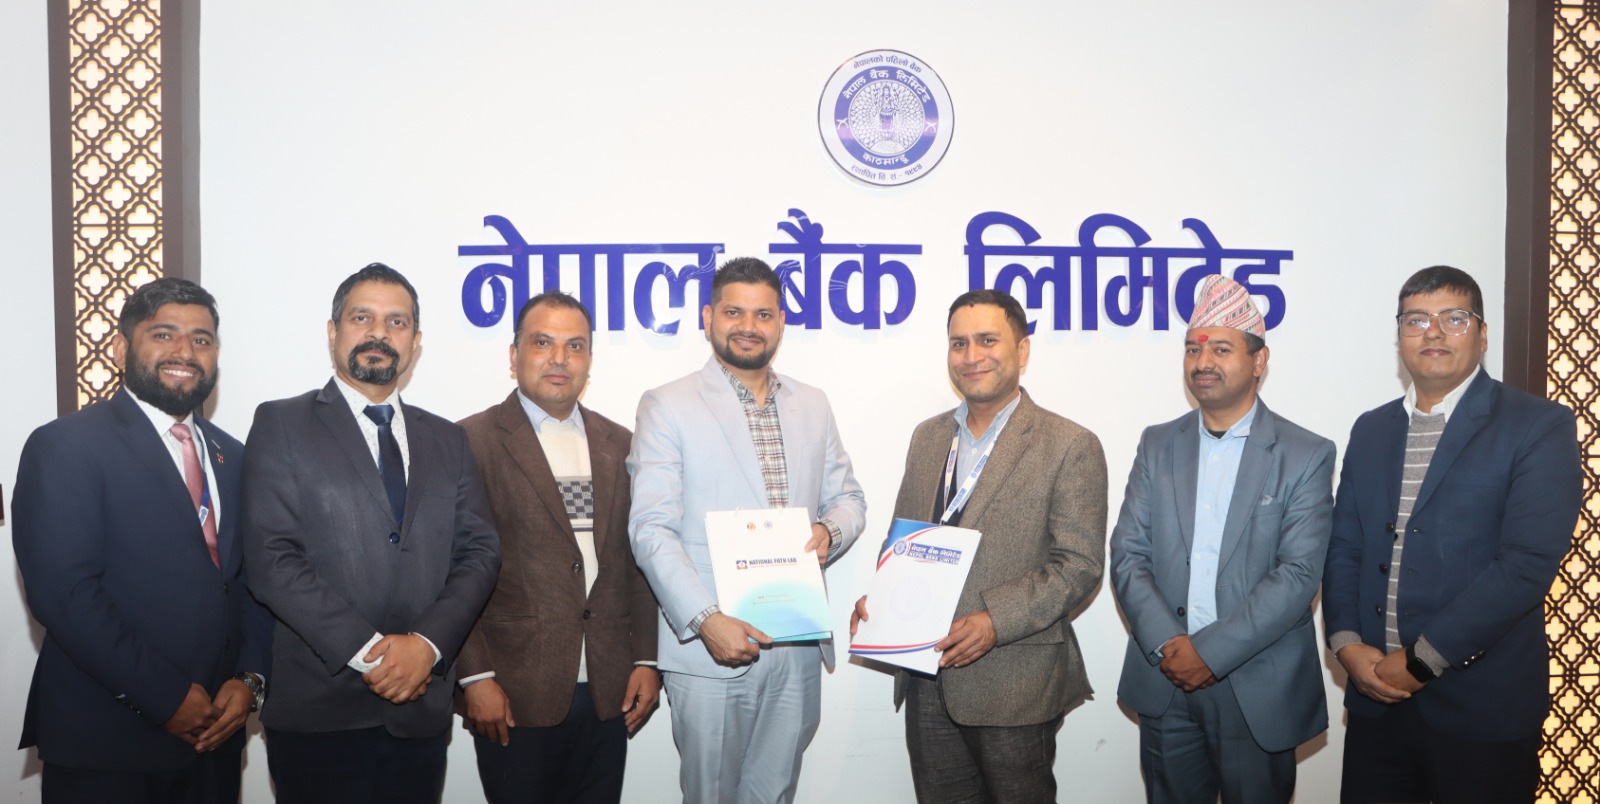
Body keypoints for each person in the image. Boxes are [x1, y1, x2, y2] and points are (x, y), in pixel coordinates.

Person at [240, 263, 501, 804]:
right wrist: (373, 654)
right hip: (319, 714)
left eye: (396, 322)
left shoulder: (448, 440)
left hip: (420, 709)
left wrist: (426, 648)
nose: (379, 333)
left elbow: (479, 553)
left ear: (416, 342)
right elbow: (272, 559)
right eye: (363, 318)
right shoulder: (281, 424)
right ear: (333, 331)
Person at [1322, 265, 1581, 804]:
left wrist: (1422, 660)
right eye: (1416, 320)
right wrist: (1346, 645)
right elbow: (1345, 545)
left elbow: (1526, 566)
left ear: (1482, 334)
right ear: (1399, 337)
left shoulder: (1538, 425)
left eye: (1454, 318)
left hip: (1482, 709)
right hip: (1375, 700)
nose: (1433, 332)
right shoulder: (1371, 428)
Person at [12, 277, 272, 803]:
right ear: (120, 348)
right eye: (164, 334)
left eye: (201, 339)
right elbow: (65, 595)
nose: (185, 352)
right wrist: (167, 697)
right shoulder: (65, 445)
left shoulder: (235, 455)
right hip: (107, 745)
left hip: (215, 742)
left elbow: (249, 582)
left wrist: (250, 680)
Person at [850, 288, 1108, 803]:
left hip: (1014, 682)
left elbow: (1078, 566)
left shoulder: (1069, 444)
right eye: (959, 343)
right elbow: (905, 538)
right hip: (926, 677)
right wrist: (884, 598)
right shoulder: (927, 437)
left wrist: (995, 620)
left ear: (1022, 350)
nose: (971, 356)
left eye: (988, 340)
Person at [627, 257, 867, 803]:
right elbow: (651, 529)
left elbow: (849, 499)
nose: (748, 326)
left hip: (797, 643)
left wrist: (829, 532)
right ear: (708, 317)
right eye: (734, 312)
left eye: (763, 314)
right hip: (712, 647)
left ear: (781, 322)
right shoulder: (668, 405)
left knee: (775, 794)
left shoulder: (813, 403)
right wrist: (706, 620)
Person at [1109, 274, 1335, 803]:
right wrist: (1170, 645)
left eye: (1221, 349)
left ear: (1259, 361)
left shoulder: (1304, 453)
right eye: (1193, 349)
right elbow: (1127, 554)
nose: (1202, 361)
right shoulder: (1157, 444)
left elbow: (1298, 575)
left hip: (1255, 685)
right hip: (1166, 679)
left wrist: (1208, 653)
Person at [456, 292, 660, 803]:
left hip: (609, 688)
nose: (559, 359)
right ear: (514, 355)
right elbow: (451, 569)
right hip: (513, 691)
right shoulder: (469, 441)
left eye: (575, 346)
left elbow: (637, 565)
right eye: (542, 343)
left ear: (589, 359)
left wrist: (647, 659)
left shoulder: (622, 443)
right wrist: (475, 675)